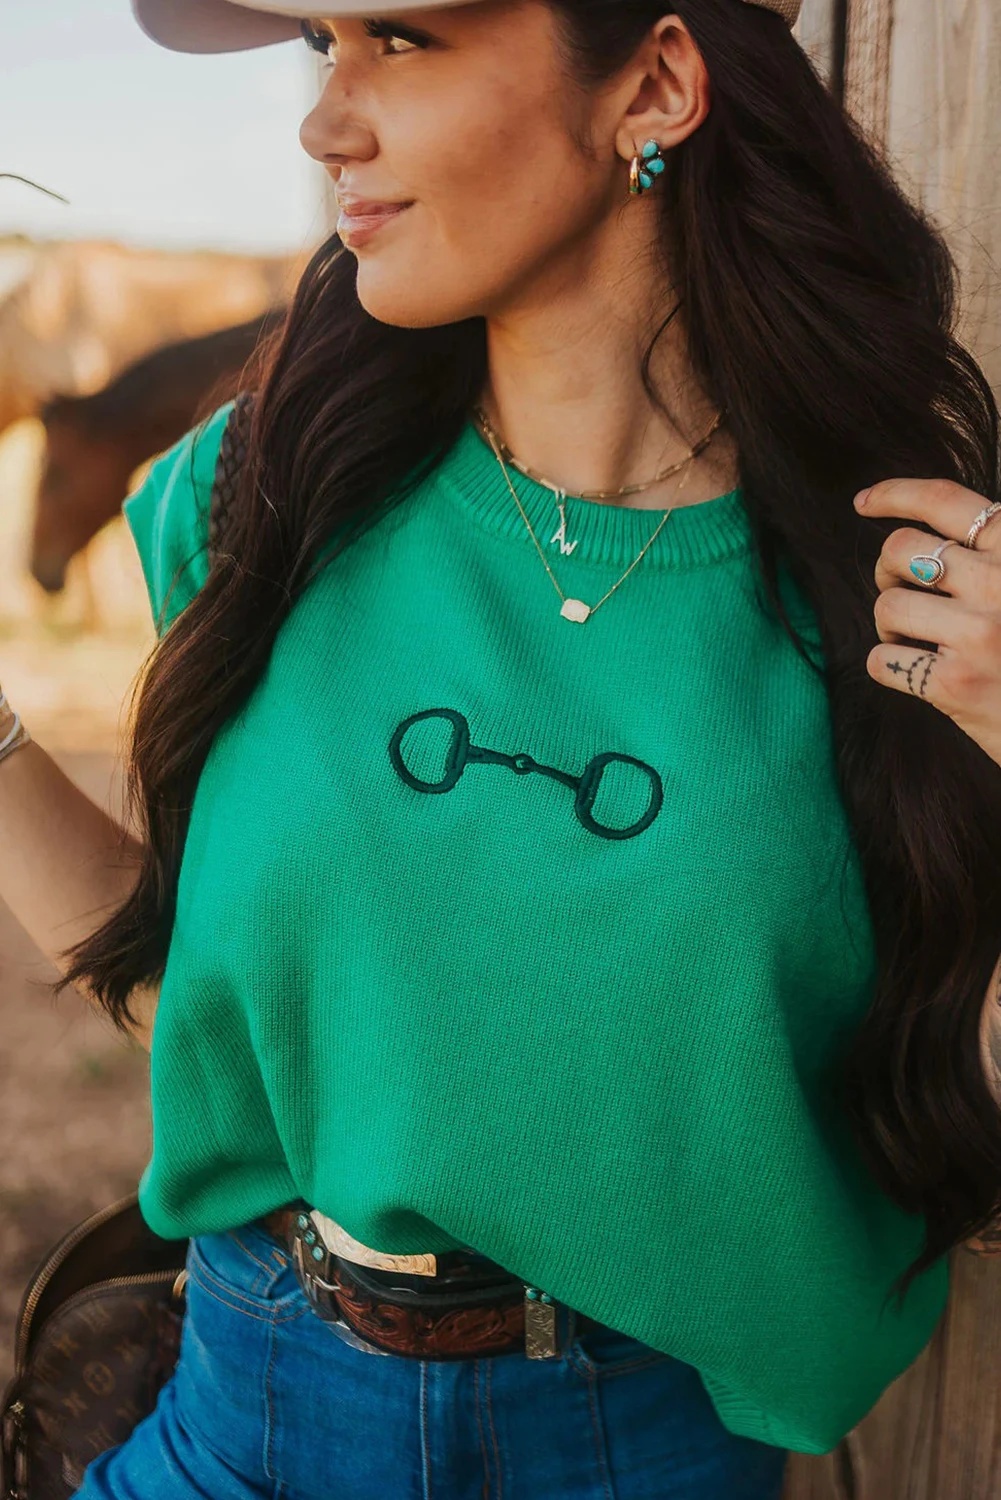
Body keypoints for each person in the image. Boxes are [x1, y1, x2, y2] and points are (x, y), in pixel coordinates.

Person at [5, 0, 1001, 1494]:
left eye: (400, 38)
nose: (325, 121)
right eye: (320, 43)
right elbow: (205, 996)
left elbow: (955, 1105)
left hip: (637, 1451)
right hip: (232, 1412)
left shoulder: (905, 602)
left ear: (653, 83)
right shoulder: (255, 499)